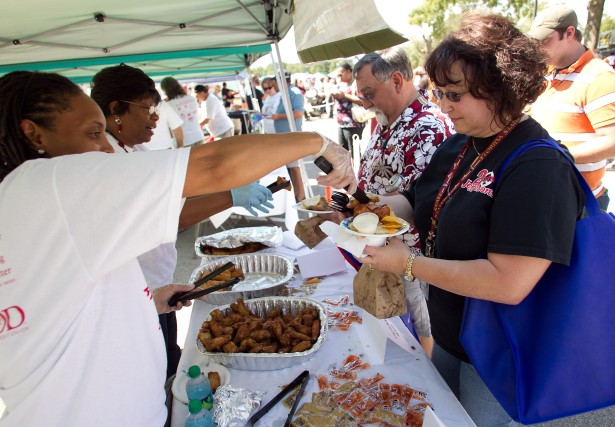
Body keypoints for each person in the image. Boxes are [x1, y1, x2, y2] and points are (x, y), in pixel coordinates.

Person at [0, 69, 354, 426]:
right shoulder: (52, 184)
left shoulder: (21, 201)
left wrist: (146, 299)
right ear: (33, 133)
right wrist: (319, 144)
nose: (105, 147)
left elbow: (58, 304)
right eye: (93, 134)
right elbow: (216, 164)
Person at [356, 14, 584, 426]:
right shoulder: (462, 143)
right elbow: (418, 198)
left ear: (498, 87)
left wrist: (406, 263)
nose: (442, 104)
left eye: (454, 94)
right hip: (451, 332)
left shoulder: (538, 164)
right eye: (438, 91)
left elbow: (508, 282)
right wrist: (378, 207)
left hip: (500, 348)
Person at [90, 64, 274, 379]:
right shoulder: (108, 161)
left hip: (155, 284)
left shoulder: (132, 149)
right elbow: (162, 216)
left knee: (169, 358)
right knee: (154, 372)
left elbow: (174, 197)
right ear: (116, 109)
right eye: (147, 108)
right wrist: (229, 196)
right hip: (135, 295)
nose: (156, 117)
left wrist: (224, 192)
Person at [352, 47, 455, 357]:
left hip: (412, 259)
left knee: (424, 335)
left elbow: (419, 205)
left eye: (369, 94)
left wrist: (362, 207)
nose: (366, 104)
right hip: (385, 253)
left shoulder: (427, 129)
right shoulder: (388, 122)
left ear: (397, 80)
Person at [528, 5, 615, 211]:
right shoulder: (548, 73)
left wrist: (557, 154)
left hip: (578, 201)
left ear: (569, 33)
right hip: (549, 193)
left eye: (545, 41)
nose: (538, 48)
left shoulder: (599, 78)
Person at [272, 71, 306, 202]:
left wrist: (278, 117)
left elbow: (298, 113)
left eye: (275, 82)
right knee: (292, 168)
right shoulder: (286, 92)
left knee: (295, 168)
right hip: (285, 137)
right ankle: (297, 195)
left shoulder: (294, 92)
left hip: (292, 137)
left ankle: (300, 195)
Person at [161, 77, 205, 147]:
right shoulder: (192, 98)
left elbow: (176, 128)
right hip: (198, 137)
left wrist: (179, 146)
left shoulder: (169, 105)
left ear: (165, 90)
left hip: (185, 142)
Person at [333, 62, 365, 157]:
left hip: (353, 123)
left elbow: (362, 100)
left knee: (354, 151)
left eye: (340, 74)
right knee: (343, 151)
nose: (339, 77)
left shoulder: (356, 83)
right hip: (342, 123)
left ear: (348, 72)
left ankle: (356, 171)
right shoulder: (341, 84)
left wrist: (344, 95)